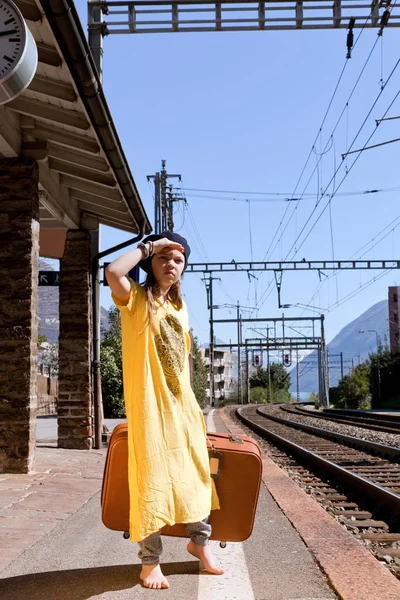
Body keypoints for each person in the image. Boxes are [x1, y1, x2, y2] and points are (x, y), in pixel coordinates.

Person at [105, 231, 224, 590]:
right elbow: (113, 272)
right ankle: (150, 562)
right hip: (150, 409)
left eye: (178, 260)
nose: (171, 264)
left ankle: (198, 544)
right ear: (150, 263)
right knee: (152, 480)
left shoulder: (179, 306)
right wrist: (147, 247)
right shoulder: (136, 299)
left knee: (198, 477)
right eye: (163, 258)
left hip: (183, 408)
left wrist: (193, 405)